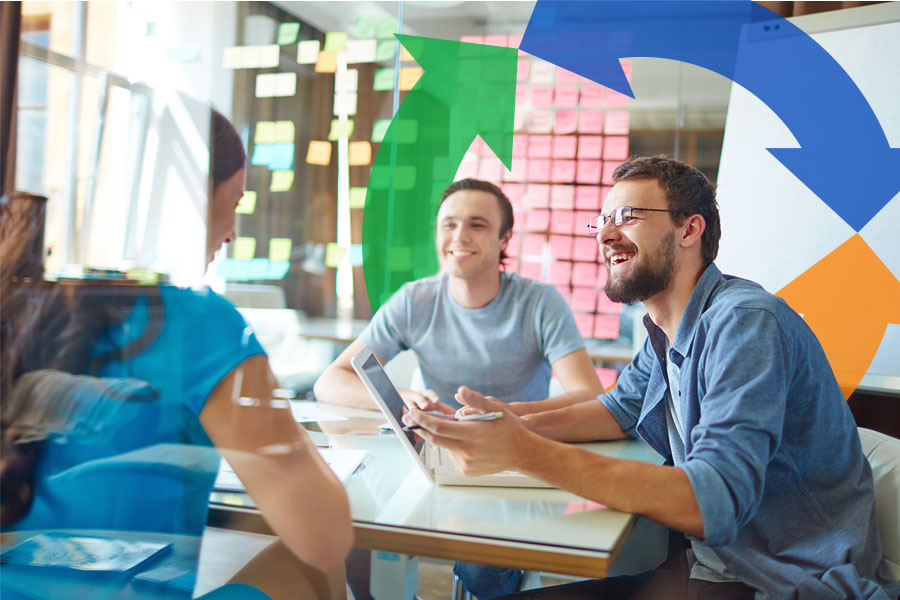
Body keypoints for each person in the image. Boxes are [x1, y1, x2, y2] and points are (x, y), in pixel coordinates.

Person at [407, 156, 900, 600]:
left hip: (785, 582)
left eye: (629, 217)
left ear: (689, 230)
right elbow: (616, 408)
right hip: (712, 569)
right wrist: (502, 420)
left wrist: (523, 451)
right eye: (603, 220)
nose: (604, 235)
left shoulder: (746, 323)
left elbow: (716, 500)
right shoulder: (667, 328)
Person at [0, 109, 353, 600]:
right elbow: (325, 538)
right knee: (316, 564)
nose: (231, 232)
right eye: (234, 202)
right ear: (187, 201)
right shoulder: (198, 322)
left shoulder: (17, 303)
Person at [314, 178, 604, 598]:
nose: (459, 237)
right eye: (448, 224)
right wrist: (400, 401)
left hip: (513, 464)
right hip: (434, 464)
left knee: (481, 566)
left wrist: (503, 418)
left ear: (505, 237)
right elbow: (332, 380)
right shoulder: (415, 300)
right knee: (354, 532)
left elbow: (589, 397)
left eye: (477, 225)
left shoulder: (539, 303)